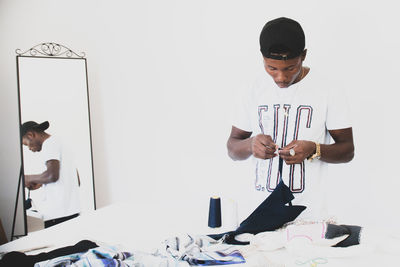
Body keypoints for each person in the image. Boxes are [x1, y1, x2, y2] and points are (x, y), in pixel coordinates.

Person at [227, 17, 354, 220]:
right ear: (262, 59)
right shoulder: (251, 89)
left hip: (309, 216)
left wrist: (315, 149)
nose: (281, 78)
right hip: (257, 215)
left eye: (290, 68)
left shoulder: (329, 89)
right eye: (272, 68)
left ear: (303, 56)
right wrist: (251, 145)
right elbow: (232, 148)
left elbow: (347, 150)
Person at [21, 121, 80, 228]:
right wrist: (40, 182)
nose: (29, 149)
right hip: (72, 212)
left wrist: (27, 178)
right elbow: (77, 180)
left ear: (30, 135)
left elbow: (51, 176)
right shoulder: (60, 143)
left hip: (58, 215)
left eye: (26, 145)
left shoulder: (49, 143)